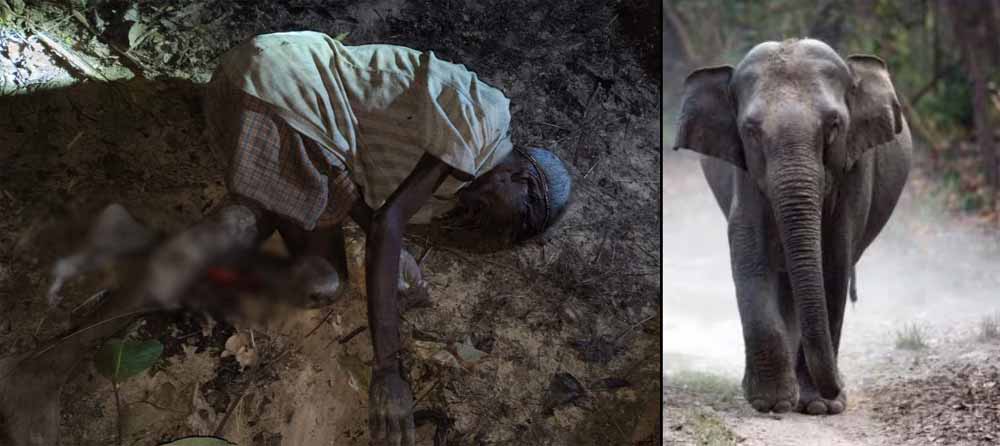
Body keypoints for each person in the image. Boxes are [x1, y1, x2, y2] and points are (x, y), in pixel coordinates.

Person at [0, 31, 572, 446]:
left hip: (278, 108)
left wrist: (393, 251)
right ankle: (42, 367)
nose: (487, 225)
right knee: (245, 228)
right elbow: (389, 221)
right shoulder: (487, 122)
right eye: (511, 216)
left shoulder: (460, 180)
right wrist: (388, 370)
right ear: (523, 177)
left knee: (321, 282)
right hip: (285, 93)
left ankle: (158, 248)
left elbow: (376, 211)